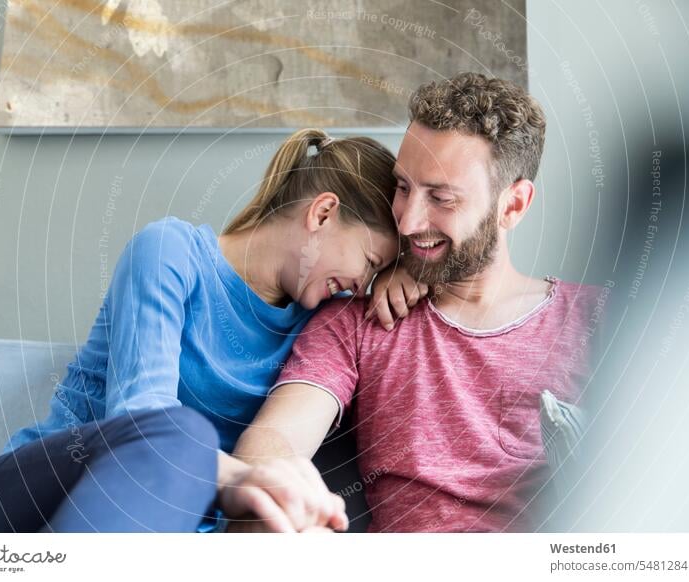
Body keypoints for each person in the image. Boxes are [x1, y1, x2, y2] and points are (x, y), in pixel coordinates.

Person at [0, 128, 403, 533]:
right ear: (322, 213)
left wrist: (413, 278)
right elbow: (142, 424)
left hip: (155, 533)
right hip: (21, 506)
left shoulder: (327, 321)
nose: (366, 283)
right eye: (370, 261)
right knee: (180, 435)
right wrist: (250, 481)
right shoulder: (170, 254)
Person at [233, 73, 605, 532]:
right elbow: (270, 448)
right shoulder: (358, 323)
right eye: (403, 187)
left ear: (513, 205)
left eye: (441, 198)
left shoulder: (603, 321)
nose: (407, 222)